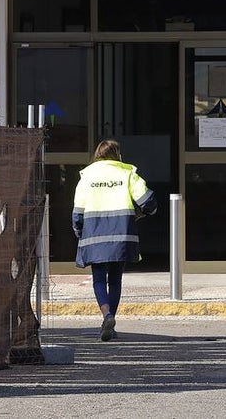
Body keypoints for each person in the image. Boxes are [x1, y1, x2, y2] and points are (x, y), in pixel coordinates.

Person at [72, 138, 157, 341]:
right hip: (122, 235)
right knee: (116, 279)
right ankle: (111, 321)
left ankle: (106, 316)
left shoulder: (87, 176)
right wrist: (140, 214)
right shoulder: (127, 173)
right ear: (117, 155)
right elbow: (149, 203)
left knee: (99, 279)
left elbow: (78, 212)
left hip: (94, 234)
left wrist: (79, 230)